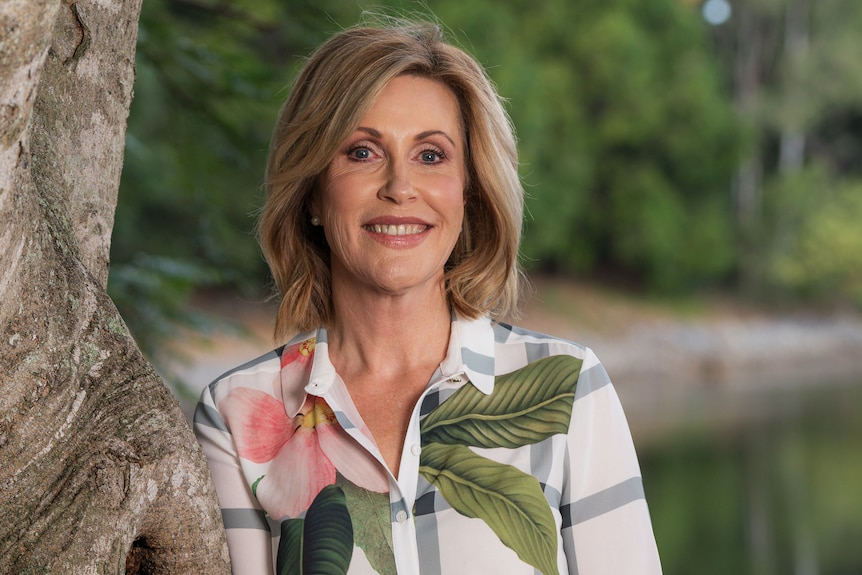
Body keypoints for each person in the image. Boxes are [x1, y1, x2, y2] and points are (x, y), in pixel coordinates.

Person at [194, 19, 662, 575]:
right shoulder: (235, 413)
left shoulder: (568, 391)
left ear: (470, 191)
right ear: (312, 192)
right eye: (362, 152)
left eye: (432, 155)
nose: (399, 186)